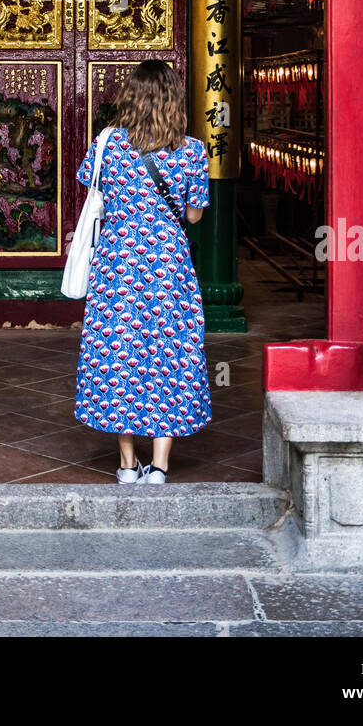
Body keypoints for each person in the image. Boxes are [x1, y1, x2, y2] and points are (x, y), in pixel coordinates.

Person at [72, 59, 212, 484]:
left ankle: (127, 466)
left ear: (129, 98)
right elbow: (192, 216)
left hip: (117, 266)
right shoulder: (191, 150)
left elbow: (95, 193)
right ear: (174, 101)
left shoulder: (107, 146)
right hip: (168, 269)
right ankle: (161, 468)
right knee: (172, 356)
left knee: (119, 355)